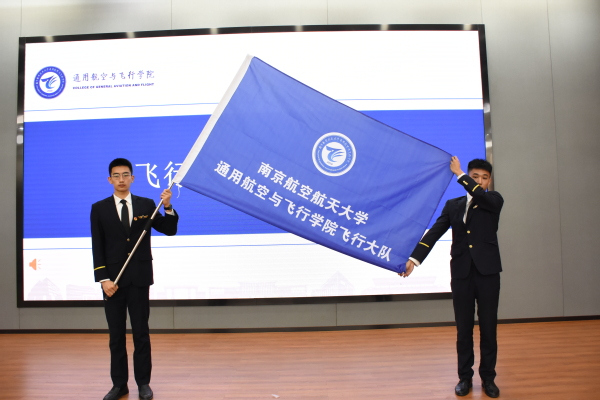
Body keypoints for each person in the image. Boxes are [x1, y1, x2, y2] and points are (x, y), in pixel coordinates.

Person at [400, 156, 503, 398]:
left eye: (484, 178)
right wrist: (414, 259)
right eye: (475, 176)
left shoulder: (493, 200)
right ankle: (464, 378)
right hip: (461, 274)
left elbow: (479, 195)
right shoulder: (453, 205)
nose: (479, 181)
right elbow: (434, 233)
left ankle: (488, 378)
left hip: (488, 274)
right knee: (463, 329)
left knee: (488, 329)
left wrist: (460, 174)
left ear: (489, 181)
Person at [91, 158, 179, 400]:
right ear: (110, 179)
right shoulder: (99, 208)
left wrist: (168, 206)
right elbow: (97, 246)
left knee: (141, 334)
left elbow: (169, 229)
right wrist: (103, 279)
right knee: (116, 336)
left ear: (132, 178)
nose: (121, 179)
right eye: (116, 175)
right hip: (113, 283)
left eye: (125, 175)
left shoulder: (146, 204)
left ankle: (143, 384)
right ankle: (119, 385)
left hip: (139, 279)